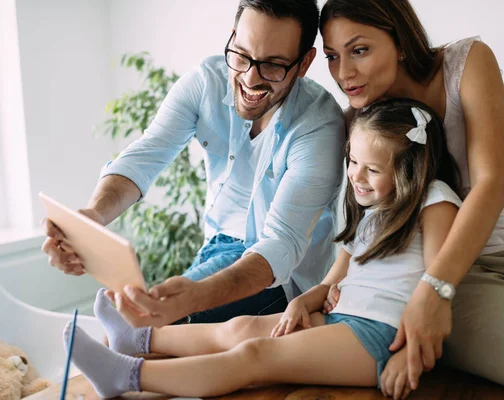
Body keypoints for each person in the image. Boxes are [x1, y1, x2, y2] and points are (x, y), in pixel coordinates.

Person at [60, 98, 461, 400]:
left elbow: (438, 281)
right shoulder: (371, 210)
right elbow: (338, 274)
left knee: (255, 355)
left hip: (382, 339)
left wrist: (408, 356)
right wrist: (306, 301)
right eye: (352, 161)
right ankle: (141, 339)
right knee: (243, 328)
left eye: (372, 169)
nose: (356, 176)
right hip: (343, 323)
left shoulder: (435, 199)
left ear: (412, 170)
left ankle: (127, 376)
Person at [42, 0, 345, 326]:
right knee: (143, 325)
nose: (250, 78)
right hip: (215, 248)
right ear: (232, 37)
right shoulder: (205, 83)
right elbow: (146, 155)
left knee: (146, 327)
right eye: (241, 55)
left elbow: (280, 245)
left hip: (281, 278)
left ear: (304, 63)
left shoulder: (319, 124)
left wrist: (196, 296)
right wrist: (92, 218)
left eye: (273, 65)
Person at [319, 0, 504, 389]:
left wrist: (434, 290)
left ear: (400, 41)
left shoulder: (467, 63)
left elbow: (491, 182)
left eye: (359, 50)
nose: (343, 73)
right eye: (332, 56)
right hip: (458, 271)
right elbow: (358, 227)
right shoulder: (364, 119)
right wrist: (334, 283)